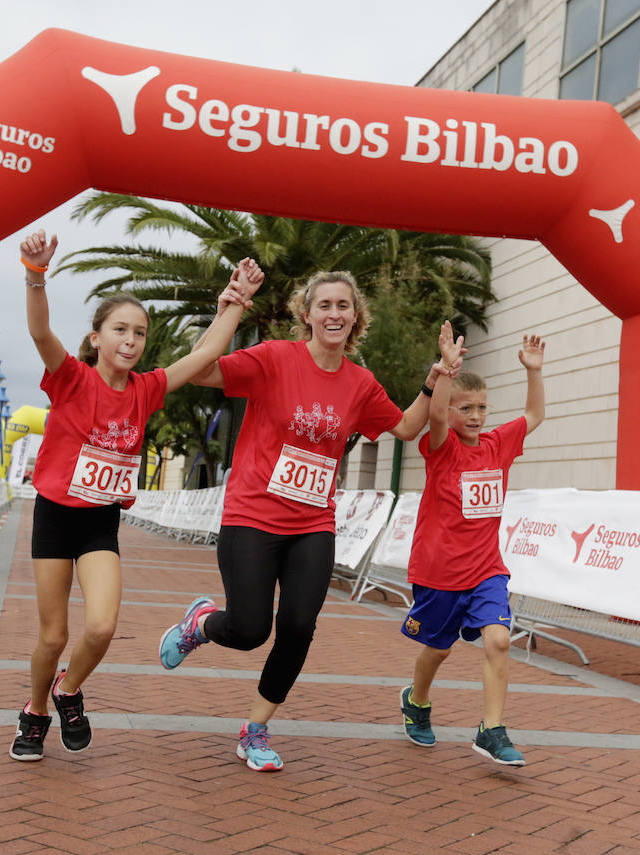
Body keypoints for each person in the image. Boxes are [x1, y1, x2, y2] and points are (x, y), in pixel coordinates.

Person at [157, 271, 463, 772]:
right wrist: (231, 306)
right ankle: (201, 625)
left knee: (299, 626)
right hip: (253, 516)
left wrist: (437, 378)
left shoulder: (360, 384)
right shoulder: (275, 358)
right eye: (324, 305)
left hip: (312, 525)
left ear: (355, 317)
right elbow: (200, 369)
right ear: (308, 314)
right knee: (250, 629)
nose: (335, 314)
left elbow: (407, 427)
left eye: (344, 305)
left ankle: (255, 728)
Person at [11, 229, 262, 762]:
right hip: (55, 516)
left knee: (101, 625)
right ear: (98, 337)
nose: (131, 340)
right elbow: (39, 332)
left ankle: (68, 691)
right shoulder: (72, 379)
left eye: (140, 333)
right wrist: (36, 276)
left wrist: (235, 301)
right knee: (53, 636)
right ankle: (34, 713)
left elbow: (205, 356)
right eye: (120, 330)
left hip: (99, 521)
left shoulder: (146, 389)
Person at [397, 329, 545, 765]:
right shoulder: (440, 448)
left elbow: (534, 415)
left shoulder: (499, 445)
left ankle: (492, 730)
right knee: (438, 649)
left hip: (486, 571)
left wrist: (534, 372)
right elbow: (436, 415)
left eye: (482, 407)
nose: (476, 416)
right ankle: (416, 700)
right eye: (468, 408)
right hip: (438, 573)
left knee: (498, 640)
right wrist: (445, 370)